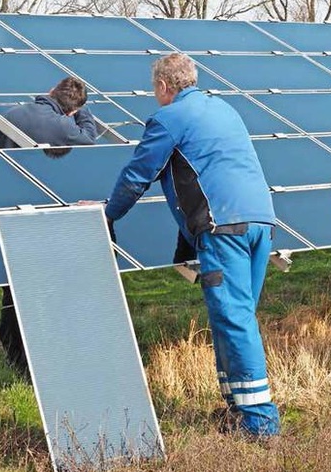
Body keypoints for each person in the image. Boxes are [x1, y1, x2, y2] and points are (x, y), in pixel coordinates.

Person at [105, 53, 280, 438]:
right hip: (261, 222)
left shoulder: (170, 118)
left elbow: (139, 174)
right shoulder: (224, 109)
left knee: (234, 320)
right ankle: (237, 408)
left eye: (155, 89)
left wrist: (108, 214)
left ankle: (261, 424)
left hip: (222, 229)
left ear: (164, 87)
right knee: (235, 319)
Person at [0, 77, 98, 378]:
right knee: (44, 289)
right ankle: (41, 360)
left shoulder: (10, 115)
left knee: (13, 288)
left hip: (11, 212)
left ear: (51, 92)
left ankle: (17, 357)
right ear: (69, 111)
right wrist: (83, 113)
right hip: (46, 218)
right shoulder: (64, 126)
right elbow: (89, 141)